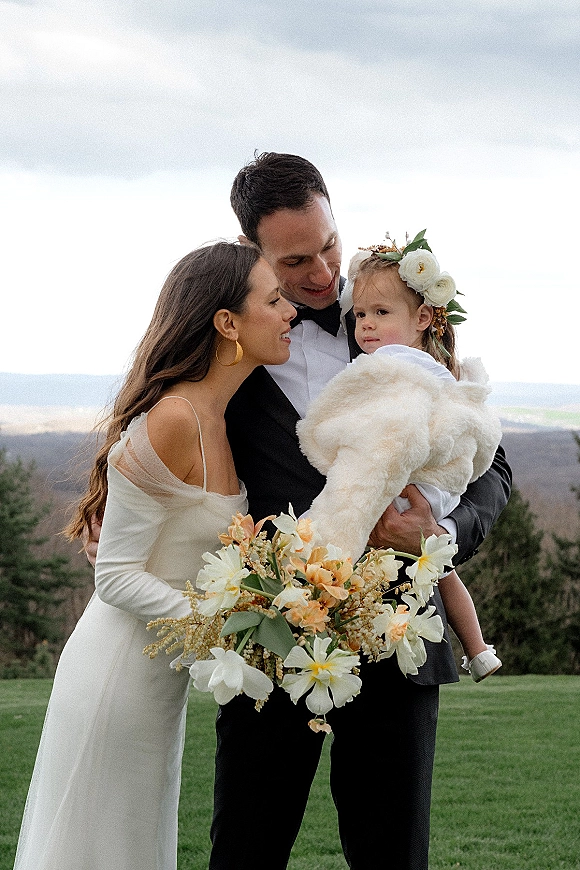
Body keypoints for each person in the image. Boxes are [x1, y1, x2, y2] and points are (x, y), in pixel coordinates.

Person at [210, 153, 512, 870]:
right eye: (295, 260)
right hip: (276, 633)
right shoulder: (225, 338)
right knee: (247, 848)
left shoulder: (396, 313)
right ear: (254, 252)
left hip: (402, 636)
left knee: (393, 855)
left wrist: (439, 531)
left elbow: (491, 463)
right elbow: (160, 416)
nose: (322, 273)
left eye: (329, 245)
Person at [13, 241, 296, 870]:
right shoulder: (175, 416)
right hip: (116, 672)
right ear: (228, 323)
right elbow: (114, 575)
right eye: (273, 300)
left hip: (158, 683)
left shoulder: (220, 417)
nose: (289, 313)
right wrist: (219, 624)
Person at [297, 238, 503, 682]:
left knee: (366, 548)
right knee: (440, 570)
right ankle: (478, 647)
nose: (366, 326)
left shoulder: (390, 365)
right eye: (360, 316)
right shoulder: (440, 366)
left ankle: (326, 600)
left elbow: (389, 436)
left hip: (407, 495)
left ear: (423, 317)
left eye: (380, 314)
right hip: (439, 486)